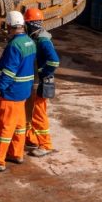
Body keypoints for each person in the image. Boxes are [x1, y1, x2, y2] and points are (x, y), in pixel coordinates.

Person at [0, 11, 35, 172]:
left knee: (4, 127)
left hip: (11, 92)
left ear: (9, 26)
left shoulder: (14, 46)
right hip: (23, 91)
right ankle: (16, 153)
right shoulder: (29, 42)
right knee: (19, 125)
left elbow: (9, 71)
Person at [24, 8, 60, 155]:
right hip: (37, 82)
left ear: (30, 24)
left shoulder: (43, 40)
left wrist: (42, 72)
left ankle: (46, 145)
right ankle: (31, 139)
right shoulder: (36, 36)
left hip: (41, 83)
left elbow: (54, 61)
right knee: (31, 111)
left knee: (38, 113)